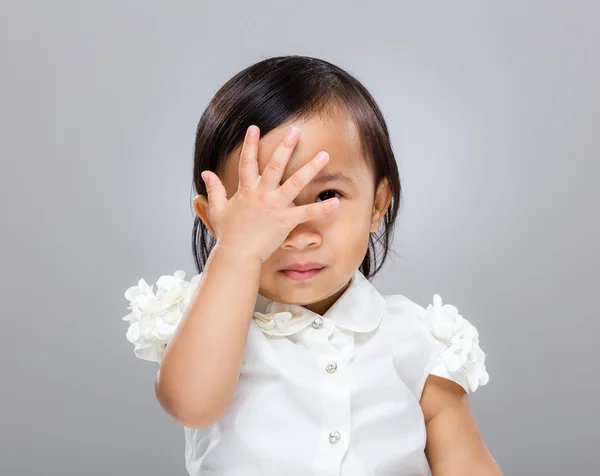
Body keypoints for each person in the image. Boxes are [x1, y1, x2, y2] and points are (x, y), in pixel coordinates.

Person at [154, 55, 502, 475]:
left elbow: (467, 464)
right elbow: (191, 405)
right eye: (264, 207)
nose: (298, 232)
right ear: (213, 219)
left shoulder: (414, 337)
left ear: (377, 205)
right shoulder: (211, 328)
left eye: (326, 196)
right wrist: (237, 253)